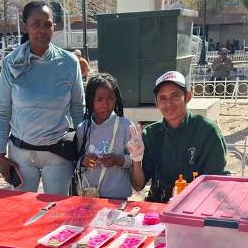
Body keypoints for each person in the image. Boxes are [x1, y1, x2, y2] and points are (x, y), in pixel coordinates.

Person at [0, 0, 85, 196]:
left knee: (56, 212)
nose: (42, 30)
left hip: (58, 153)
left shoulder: (69, 63)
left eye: (47, 24)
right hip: (20, 155)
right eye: (36, 24)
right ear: (25, 26)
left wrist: (83, 147)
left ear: (54, 27)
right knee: (21, 214)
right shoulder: (11, 63)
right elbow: (3, 112)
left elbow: (78, 108)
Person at [130, 71, 227, 203]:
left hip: (197, 206)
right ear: (156, 102)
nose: (168, 103)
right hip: (158, 205)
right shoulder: (151, 134)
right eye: (163, 98)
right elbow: (138, 186)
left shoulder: (208, 132)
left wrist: (183, 200)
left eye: (175, 96)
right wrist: (136, 159)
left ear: (187, 96)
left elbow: (216, 183)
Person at [76, 73, 139, 200]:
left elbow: (136, 160)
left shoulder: (126, 126)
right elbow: (75, 161)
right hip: (89, 197)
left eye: (110, 99)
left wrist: (118, 160)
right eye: (99, 99)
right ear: (90, 100)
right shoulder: (83, 128)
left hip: (117, 199)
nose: (105, 104)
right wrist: (83, 161)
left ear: (116, 99)